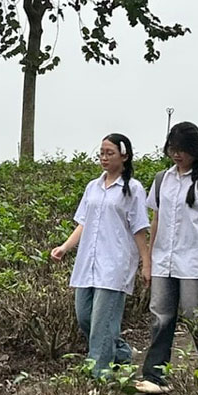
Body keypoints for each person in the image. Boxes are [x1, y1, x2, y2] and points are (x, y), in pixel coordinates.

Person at [135, 122, 198, 395]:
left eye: (182, 150)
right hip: (164, 260)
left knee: (197, 318)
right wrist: (149, 259)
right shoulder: (161, 179)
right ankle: (155, 376)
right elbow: (157, 219)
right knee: (160, 316)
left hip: (196, 261)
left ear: (195, 150)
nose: (177, 155)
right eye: (172, 149)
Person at [50, 133, 150, 377]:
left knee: (102, 324)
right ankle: (121, 353)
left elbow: (139, 229)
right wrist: (65, 247)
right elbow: (84, 223)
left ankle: (99, 373)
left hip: (115, 265)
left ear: (124, 156)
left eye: (110, 153)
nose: (104, 158)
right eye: (102, 153)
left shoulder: (133, 189)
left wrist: (146, 262)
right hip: (88, 262)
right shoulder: (93, 187)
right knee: (85, 316)